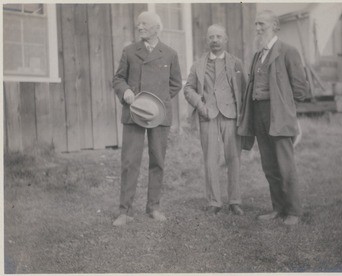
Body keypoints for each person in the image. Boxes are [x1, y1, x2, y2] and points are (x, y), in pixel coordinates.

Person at [238, 10, 309, 225]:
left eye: (262, 24)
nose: (258, 28)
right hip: (259, 114)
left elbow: (300, 89)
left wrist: (286, 109)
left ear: (275, 25)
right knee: (269, 165)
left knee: (285, 165)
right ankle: (278, 208)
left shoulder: (288, 51)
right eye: (256, 24)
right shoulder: (258, 55)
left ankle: (294, 211)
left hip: (279, 115)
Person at [112, 11, 182, 226]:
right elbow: (118, 79)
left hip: (159, 115)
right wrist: (126, 93)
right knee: (130, 161)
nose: (139, 27)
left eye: (144, 24)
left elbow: (176, 83)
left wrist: (157, 103)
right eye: (138, 24)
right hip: (134, 113)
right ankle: (125, 211)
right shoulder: (130, 51)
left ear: (156, 28)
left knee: (158, 160)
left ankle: (154, 207)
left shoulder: (169, 53)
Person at [184, 24, 247, 215]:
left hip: (230, 116)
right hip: (208, 116)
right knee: (210, 159)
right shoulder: (198, 65)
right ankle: (214, 202)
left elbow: (244, 89)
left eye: (219, 37)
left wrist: (243, 116)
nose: (215, 40)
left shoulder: (236, 63)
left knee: (233, 159)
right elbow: (188, 89)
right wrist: (200, 106)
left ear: (226, 39)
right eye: (211, 37)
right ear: (207, 40)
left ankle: (235, 201)